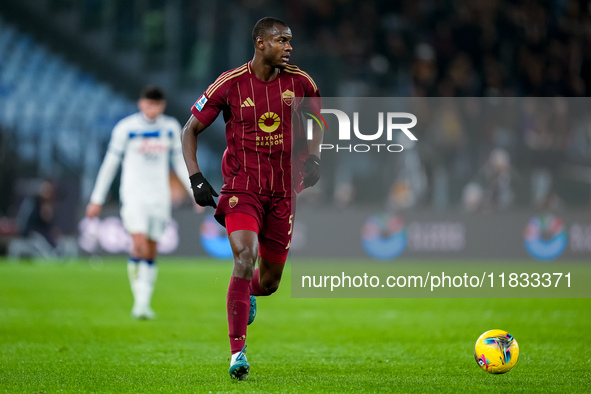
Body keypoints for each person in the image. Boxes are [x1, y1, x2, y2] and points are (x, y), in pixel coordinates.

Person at [181, 17, 322, 380]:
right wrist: (196, 177)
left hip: (283, 191)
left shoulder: (301, 83)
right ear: (260, 43)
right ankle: (237, 353)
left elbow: (318, 120)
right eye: (282, 40)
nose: (289, 47)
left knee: (270, 281)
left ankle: (250, 294)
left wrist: (316, 156)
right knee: (245, 256)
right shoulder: (230, 85)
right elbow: (190, 129)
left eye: (290, 41)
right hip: (242, 188)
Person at [87, 85, 192, 320]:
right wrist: (97, 199)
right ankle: (140, 303)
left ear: (162, 106)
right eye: (148, 103)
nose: (152, 108)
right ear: (141, 104)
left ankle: (144, 301)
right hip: (133, 195)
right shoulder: (126, 128)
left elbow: (179, 162)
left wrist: (194, 192)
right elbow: (110, 164)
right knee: (139, 244)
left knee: (151, 249)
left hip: (159, 196)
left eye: (156, 104)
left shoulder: (171, 128)